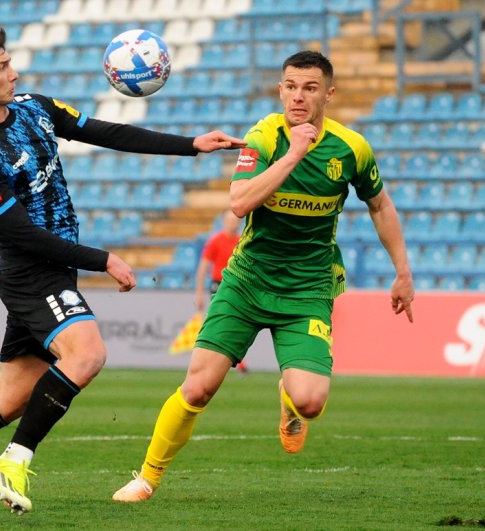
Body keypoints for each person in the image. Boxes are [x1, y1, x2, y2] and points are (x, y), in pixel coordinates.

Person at [0, 26, 245, 515]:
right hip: (32, 274)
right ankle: (14, 459)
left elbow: (103, 131)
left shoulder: (34, 106)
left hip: (54, 270)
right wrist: (104, 259)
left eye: (10, 61)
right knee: (88, 353)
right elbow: (19, 234)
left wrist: (191, 144)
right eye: (1, 67)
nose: (13, 72)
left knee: (11, 397)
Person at [112, 50, 415, 503]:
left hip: (308, 287)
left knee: (310, 401)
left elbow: (380, 205)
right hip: (248, 281)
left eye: (310, 88)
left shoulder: (352, 148)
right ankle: (148, 477)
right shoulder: (264, 136)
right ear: (280, 89)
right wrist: (293, 153)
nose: (298, 96)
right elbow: (238, 202)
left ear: (328, 94)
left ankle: (290, 402)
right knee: (198, 386)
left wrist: (403, 272)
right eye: (290, 86)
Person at [193, 209, 246, 371]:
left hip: (237, 285)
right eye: (230, 221)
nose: (233, 224)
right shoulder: (215, 241)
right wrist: (199, 293)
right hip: (219, 284)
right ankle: (208, 358)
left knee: (238, 322)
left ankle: (232, 360)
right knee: (217, 320)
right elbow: (203, 267)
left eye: (236, 221)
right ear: (224, 222)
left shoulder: (242, 241)